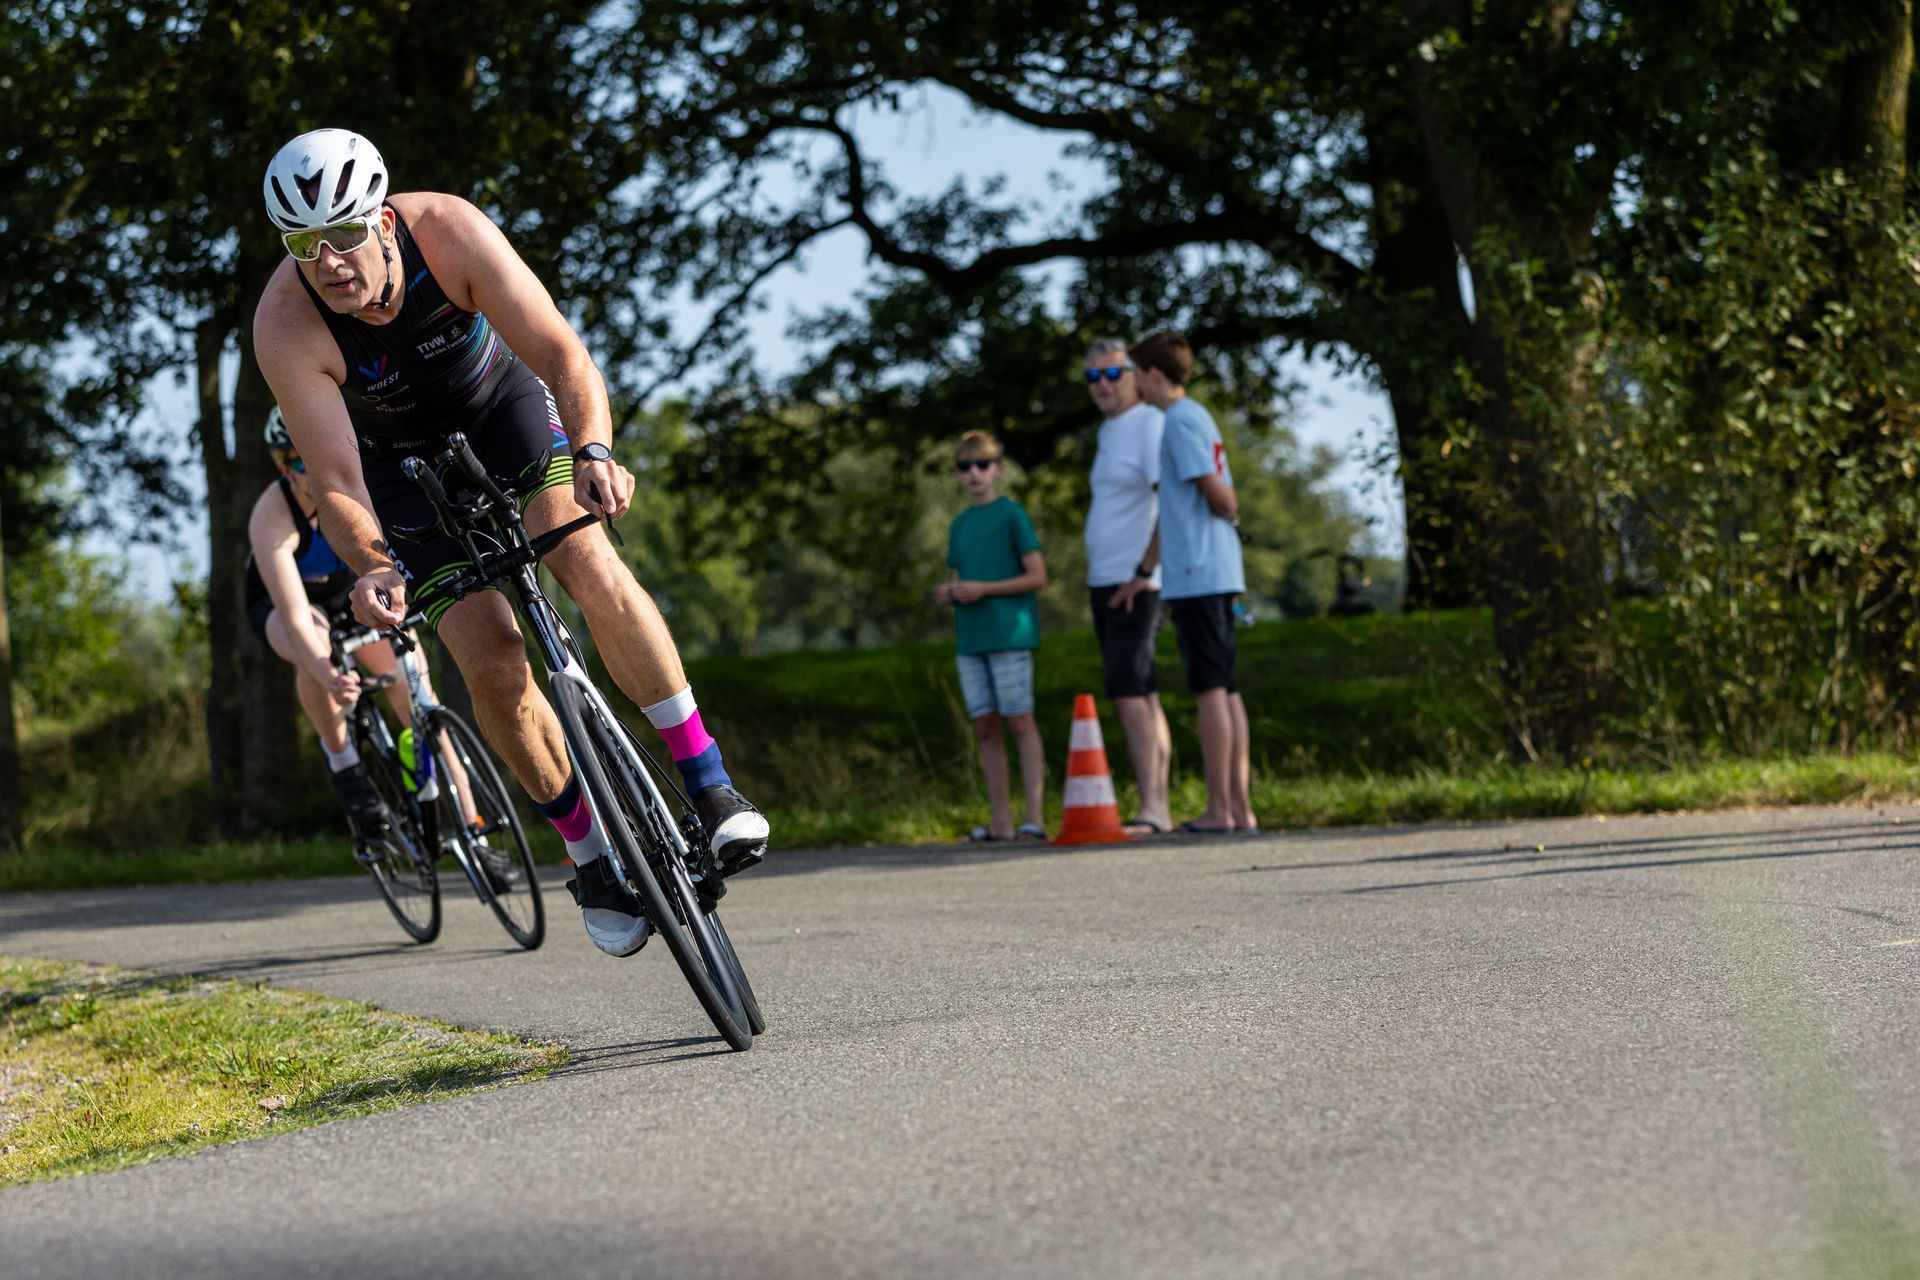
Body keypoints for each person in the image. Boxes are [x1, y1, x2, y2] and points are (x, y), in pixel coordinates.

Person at [253, 127, 768, 958]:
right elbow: (340, 486)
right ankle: (592, 858)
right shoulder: (285, 322)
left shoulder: (448, 229)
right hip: (400, 468)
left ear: (383, 221)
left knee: (582, 554)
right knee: (491, 662)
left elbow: (563, 352)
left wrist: (595, 448)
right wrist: (375, 563)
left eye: (345, 233)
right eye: (305, 244)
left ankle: (708, 784)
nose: (330, 260)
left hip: (502, 409)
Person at [248, 407, 510, 883]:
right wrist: (329, 672)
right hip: (289, 609)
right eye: (301, 462)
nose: (313, 466)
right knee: (314, 644)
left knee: (420, 702)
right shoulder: (272, 515)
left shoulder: (353, 488)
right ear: (286, 468)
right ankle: (344, 762)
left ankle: (475, 833)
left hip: (354, 596)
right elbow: (290, 610)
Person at [1111, 332, 1257, 833]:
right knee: (1227, 688)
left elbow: (1219, 495)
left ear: (1153, 375)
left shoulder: (1177, 421)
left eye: (1134, 373)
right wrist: (1144, 572)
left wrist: (1230, 510)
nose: (1133, 384)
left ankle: (1222, 809)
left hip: (1199, 573)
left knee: (1211, 689)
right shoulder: (1194, 417)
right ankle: (1238, 808)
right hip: (1205, 571)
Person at [935, 431, 1050, 842]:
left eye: (982, 465)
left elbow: (1038, 575)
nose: (974, 473)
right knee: (985, 726)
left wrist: (985, 589)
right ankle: (1000, 821)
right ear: (957, 474)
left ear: (998, 470)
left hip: (1010, 635)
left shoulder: (1012, 514)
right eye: (965, 466)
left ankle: (1033, 817)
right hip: (972, 639)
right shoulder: (960, 524)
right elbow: (959, 577)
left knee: (1020, 721)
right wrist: (950, 593)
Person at [1081, 338, 1174, 836]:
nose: (1103, 386)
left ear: (1136, 377)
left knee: (1129, 691)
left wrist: (1144, 571)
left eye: (1112, 375)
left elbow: (1168, 503)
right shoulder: (1110, 430)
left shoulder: (1148, 425)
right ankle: (1159, 804)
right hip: (1108, 579)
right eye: (1093, 377)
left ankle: (1154, 806)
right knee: (1144, 692)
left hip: (1133, 583)